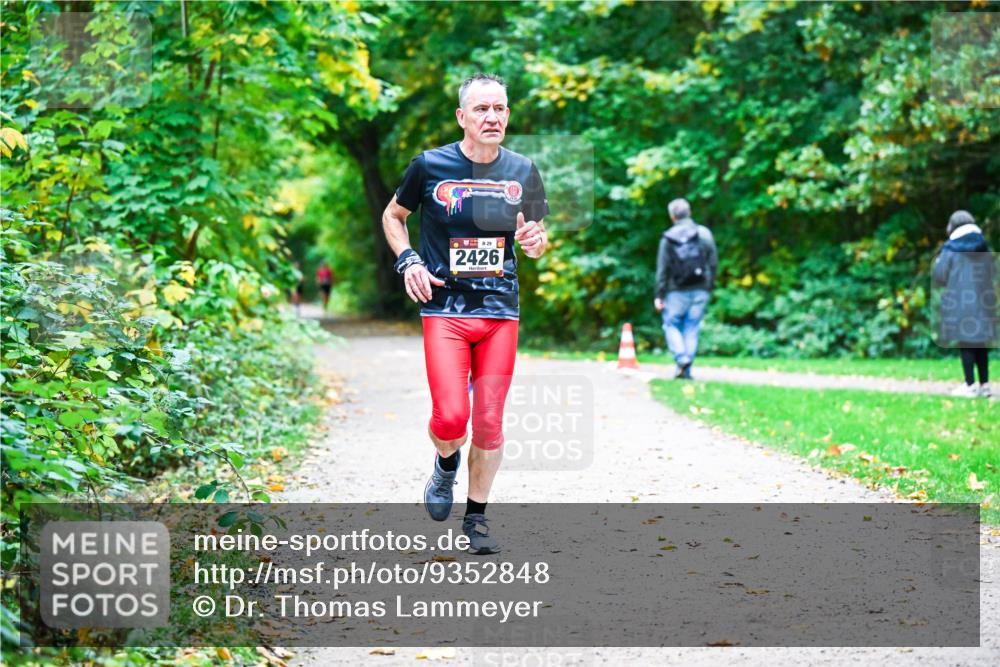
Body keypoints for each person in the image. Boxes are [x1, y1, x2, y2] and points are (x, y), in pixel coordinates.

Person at [381, 73, 549, 554]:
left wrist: (536, 242)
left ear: (507, 115)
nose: (491, 117)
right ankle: (445, 463)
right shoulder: (429, 165)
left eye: (499, 109)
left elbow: (536, 236)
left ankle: (476, 519)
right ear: (462, 117)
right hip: (445, 309)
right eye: (481, 109)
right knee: (452, 419)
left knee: (490, 421)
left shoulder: (523, 170)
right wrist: (408, 260)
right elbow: (393, 217)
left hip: (499, 310)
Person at [932, 210, 996, 398]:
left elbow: (940, 277)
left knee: (966, 342)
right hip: (984, 300)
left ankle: (970, 385)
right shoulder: (983, 246)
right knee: (980, 343)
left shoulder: (950, 248)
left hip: (960, 300)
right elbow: (992, 271)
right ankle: (984, 385)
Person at [654, 198, 718, 379]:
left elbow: (662, 269)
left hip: (676, 291)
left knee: (671, 324)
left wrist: (659, 295)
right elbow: (713, 263)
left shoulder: (668, 238)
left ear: (672, 216)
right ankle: (686, 368)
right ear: (689, 213)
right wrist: (709, 285)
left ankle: (681, 359)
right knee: (692, 327)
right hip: (701, 288)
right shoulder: (704, 233)